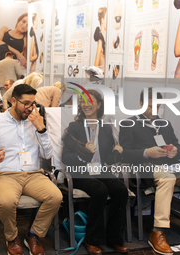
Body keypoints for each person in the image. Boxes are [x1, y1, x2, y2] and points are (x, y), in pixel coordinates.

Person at [119, 88, 180, 254]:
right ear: (140, 104)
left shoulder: (165, 124)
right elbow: (125, 153)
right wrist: (147, 153)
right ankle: (158, 231)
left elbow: (178, 146)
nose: (154, 111)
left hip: (169, 165)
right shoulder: (129, 124)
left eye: (157, 107)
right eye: (150, 106)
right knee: (167, 178)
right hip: (145, 168)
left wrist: (176, 150)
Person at [0, 84, 62, 255]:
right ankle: (12, 237)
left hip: (33, 174)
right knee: (6, 202)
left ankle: (33, 234)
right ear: (13, 101)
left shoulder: (36, 121)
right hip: (6, 175)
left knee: (56, 197)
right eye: (26, 103)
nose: (30, 108)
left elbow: (47, 155)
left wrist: (41, 128)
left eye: (33, 103)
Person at [61, 89, 129, 254]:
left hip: (100, 170)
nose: (86, 104)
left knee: (121, 190)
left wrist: (117, 153)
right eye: (83, 101)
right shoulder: (74, 127)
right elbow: (65, 157)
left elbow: (109, 159)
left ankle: (114, 238)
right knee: (100, 190)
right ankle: (92, 240)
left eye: (90, 101)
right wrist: (82, 155)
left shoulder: (105, 128)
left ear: (99, 104)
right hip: (79, 172)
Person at [94, 7, 107, 73]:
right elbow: (95, 65)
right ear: (102, 20)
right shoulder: (100, 40)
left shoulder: (102, 39)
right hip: (101, 78)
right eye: (107, 19)